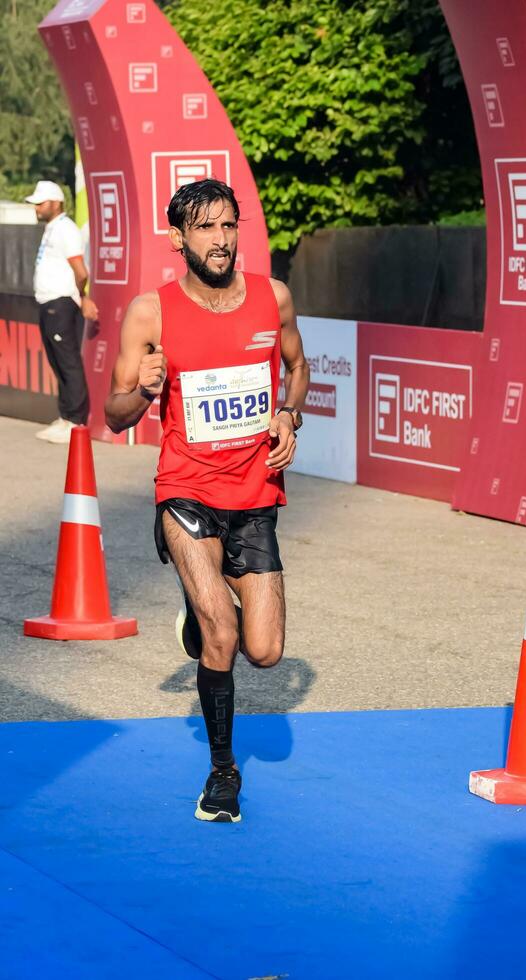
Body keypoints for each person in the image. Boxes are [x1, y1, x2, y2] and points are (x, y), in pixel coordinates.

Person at [105, 179, 310, 822]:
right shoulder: (152, 312)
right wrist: (142, 390)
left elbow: (299, 369)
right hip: (186, 489)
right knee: (224, 631)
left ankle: (197, 616)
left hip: (254, 493)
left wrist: (287, 414)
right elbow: (112, 413)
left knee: (267, 650)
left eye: (228, 226)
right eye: (205, 229)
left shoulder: (272, 298)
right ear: (179, 239)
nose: (220, 240)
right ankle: (223, 773)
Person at [26, 180, 99, 444]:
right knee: (57, 362)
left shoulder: (65, 229)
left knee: (68, 362)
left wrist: (82, 297)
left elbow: (80, 271)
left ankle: (76, 421)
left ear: (56, 203)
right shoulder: (52, 229)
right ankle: (66, 416)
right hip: (48, 304)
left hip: (62, 304)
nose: (36, 208)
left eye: (40, 203)